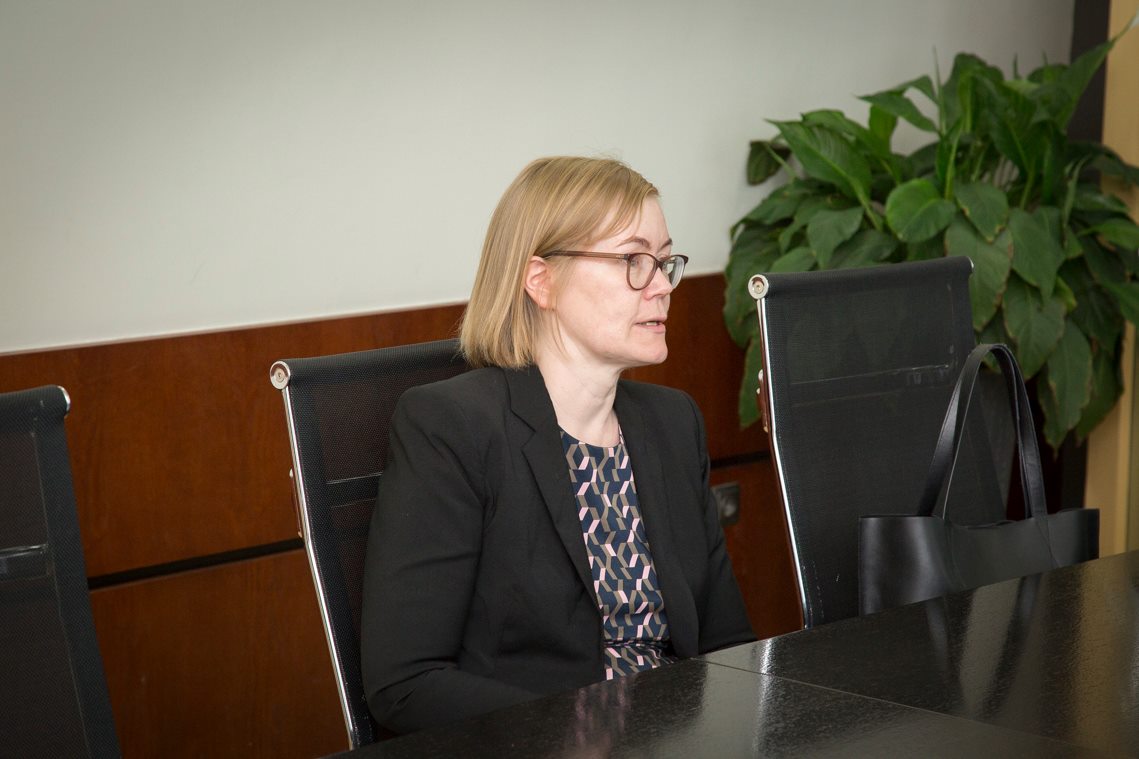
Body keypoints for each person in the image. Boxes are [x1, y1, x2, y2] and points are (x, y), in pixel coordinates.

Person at [360, 156, 756, 734]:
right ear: (541, 281)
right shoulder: (452, 427)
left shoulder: (673, 422)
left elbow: (728, 645)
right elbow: (406, 684)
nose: (663, 287)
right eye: (633, 261)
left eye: (664, 261)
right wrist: (574, 738)